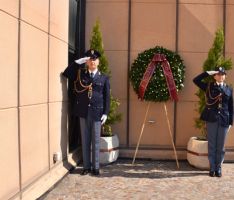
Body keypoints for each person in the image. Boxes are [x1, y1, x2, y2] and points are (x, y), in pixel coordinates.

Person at [62, 49, 110, 176]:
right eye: (90, 59)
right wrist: (77, 62)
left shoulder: (104, 77)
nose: (92, 61)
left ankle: (96, 167)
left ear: (98, 61)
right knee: (85, 140)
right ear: (87, 62)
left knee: (96, 141)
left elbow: (107, 97)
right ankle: (86, 167)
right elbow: (66, 74)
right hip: (83, 112)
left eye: (95, 59)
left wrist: (105, 113)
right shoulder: (80, 74)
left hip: (97, 113)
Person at [193, 66, 233, 177]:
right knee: (211, 144)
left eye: (222, 74)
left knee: (221, 146)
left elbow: (230, 106)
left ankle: (218, 167)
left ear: (225, 76)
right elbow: (195, 80)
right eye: (218, 74)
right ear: (214, 76)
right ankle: (212, 168)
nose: (220, 76)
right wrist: (207, 73)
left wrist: (230, 122)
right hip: (211, 118)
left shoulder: (229, 89)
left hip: (224, 120)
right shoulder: (209, 87)